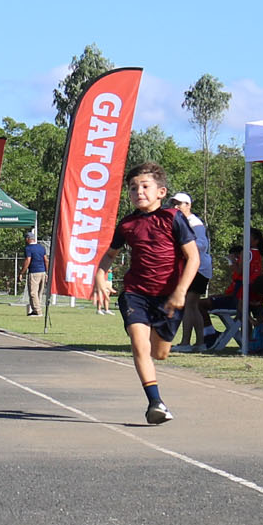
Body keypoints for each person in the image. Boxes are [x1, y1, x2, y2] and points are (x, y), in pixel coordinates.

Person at [93, 161, 198, 425]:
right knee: (139, 346)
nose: (138, 192)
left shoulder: (174, 218)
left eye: (145, 186)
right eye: (132, 188)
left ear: (161, 192)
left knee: (159, 352)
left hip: (169, 296)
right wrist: (100, 278)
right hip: (135, 292)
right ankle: (155, 403)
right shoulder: (127, 224)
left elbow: (193, 258)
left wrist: (180, 292)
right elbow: (108, 256)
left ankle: (155, 392)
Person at [169, 192, 212, 352]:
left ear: (188, 205)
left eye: (179, 203)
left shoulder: (194, 223)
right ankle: (200, 342)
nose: (175, 207)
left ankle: (186, 342)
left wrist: (184, 247)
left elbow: (202, 244)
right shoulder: (181, 221)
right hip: (192, 267)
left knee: (189, 304)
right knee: (192, 306)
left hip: (198, 268)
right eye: (174, 203)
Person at [21, 230, 47, 316]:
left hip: (34, 272)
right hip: (42, 272)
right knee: (39, 292)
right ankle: (35, 310)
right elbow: (46, 260)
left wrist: (22, 272)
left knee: (33, 292)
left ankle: (38, 311)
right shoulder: (41, 247)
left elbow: (28, 260)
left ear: (28, 239)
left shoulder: (28, 248)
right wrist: (47, 271)